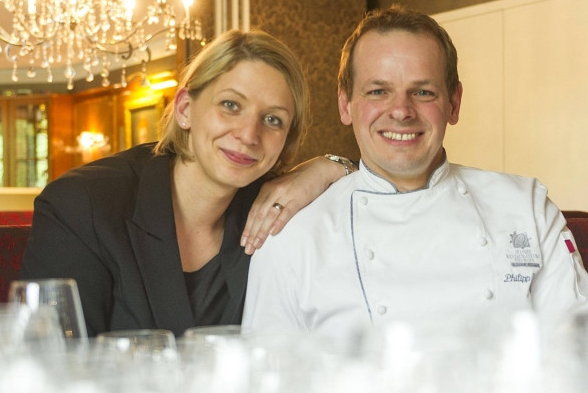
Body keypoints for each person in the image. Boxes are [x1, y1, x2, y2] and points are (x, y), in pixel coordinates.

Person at [242, 5, 588, 333]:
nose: (401, 111)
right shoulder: (291, 235)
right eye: (377, 91)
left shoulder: (527, 207)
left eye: (423, 92)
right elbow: (268, 386)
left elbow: (586, 349)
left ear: (454, 103)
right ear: (345, 105)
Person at [20, 29, 352, 336]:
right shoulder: (81, 205)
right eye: (230, 105)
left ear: (286, 140)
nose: (250, 134)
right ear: (185, 108)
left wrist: (330, 167)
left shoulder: (273, 210)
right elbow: (48, 364)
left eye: (272, 120)